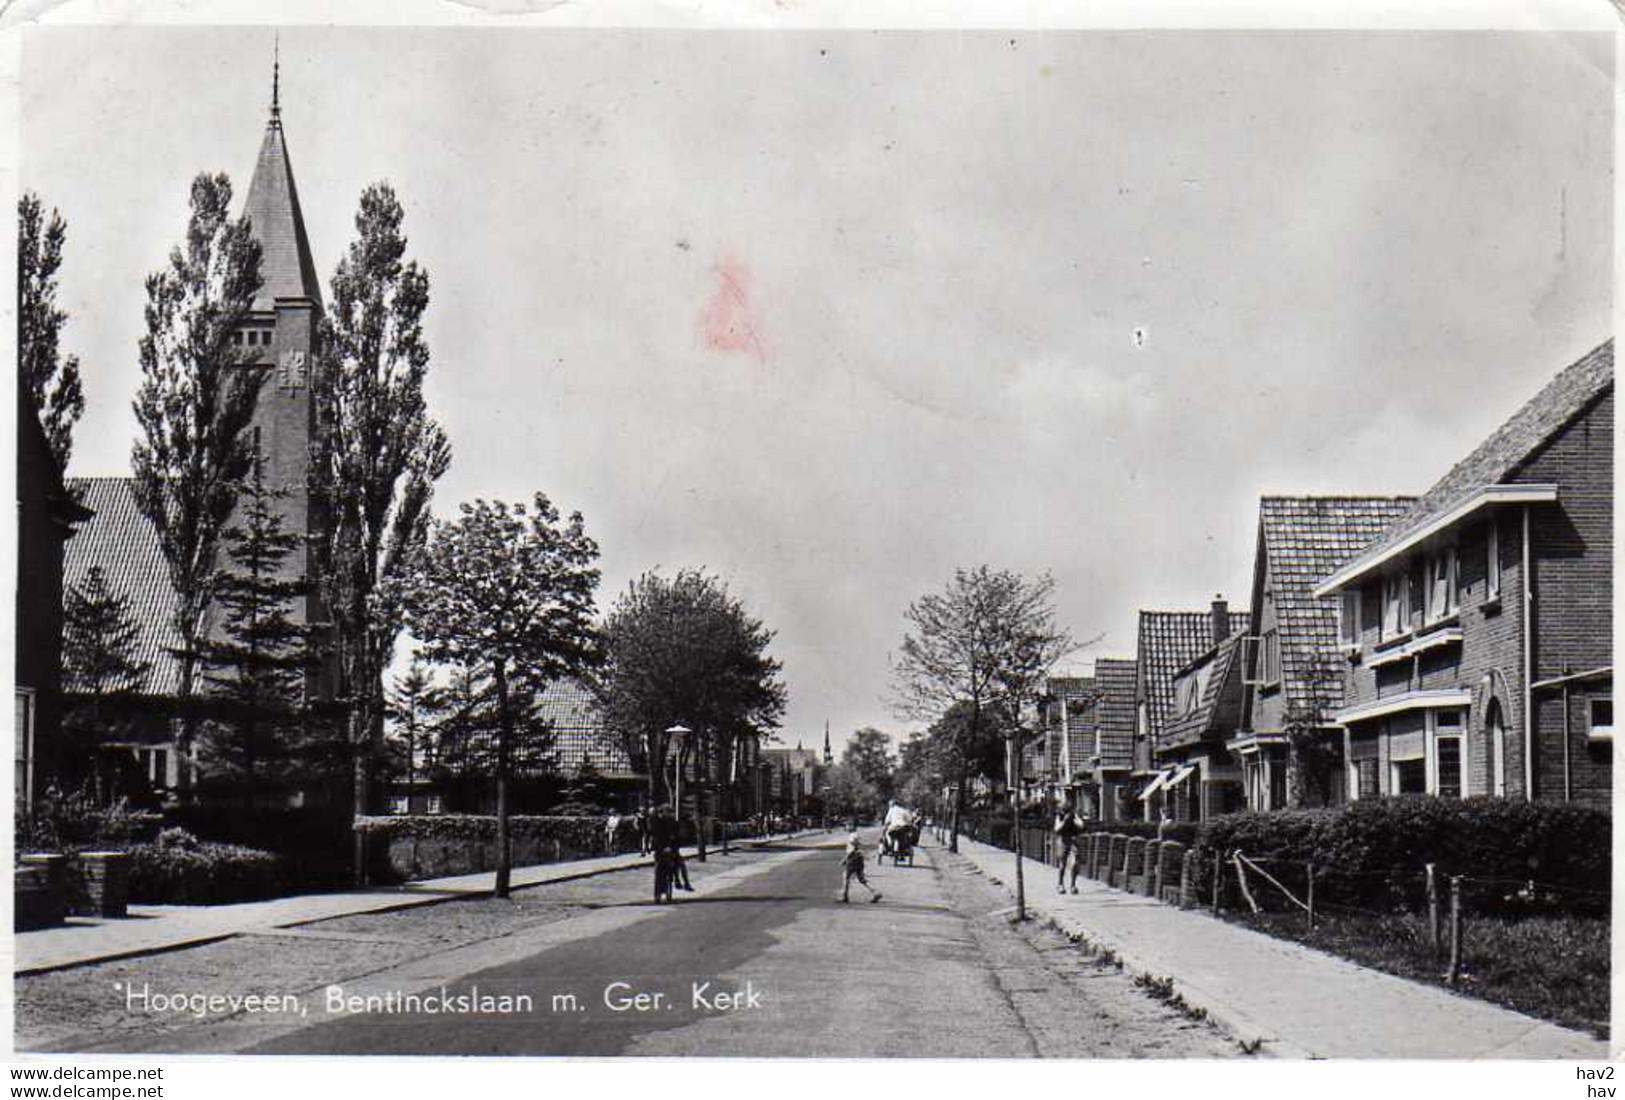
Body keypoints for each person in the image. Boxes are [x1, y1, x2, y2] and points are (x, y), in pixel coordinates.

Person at [837, 829, 882, 904]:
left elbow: (852, 849)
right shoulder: (856, 835)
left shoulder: (852, 836)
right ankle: (875, 892)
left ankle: (845, 896)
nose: (846, 827)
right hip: (859, 859)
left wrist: (844, 860)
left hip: (853, 859)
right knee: (862, 879)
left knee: (846, 877)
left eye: (848, 826)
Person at [1053, 802, 1084, 894]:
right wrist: (1065, 821)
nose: (1065, 812)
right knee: (1062, 864)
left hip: (1074, 841)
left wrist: (1075, 819)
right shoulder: (1059, 817)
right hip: (1063, 840)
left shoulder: (1074, 816)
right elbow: (1057, 829)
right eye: (1064, 810)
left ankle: (1073, 885)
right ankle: (1060, 884)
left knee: (1075, 863)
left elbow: (1081, 825)